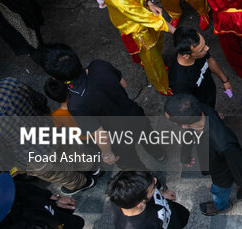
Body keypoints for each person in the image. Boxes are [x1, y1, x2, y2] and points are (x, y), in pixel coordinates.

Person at [40, 43, 166, 171]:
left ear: (55, 77)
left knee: (132, 165)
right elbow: (124, 84)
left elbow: (101, 135)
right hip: (134, 115)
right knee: (149, 140)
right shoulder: (99, 65)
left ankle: (150, 182)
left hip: (118, 138)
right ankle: (160, 156)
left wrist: (108, 154)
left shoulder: (75, 104)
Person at [0, 77, 96, 196]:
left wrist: (9, 170)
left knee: (60, 173)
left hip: (34, 155)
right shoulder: (10, 83)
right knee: (73, 151)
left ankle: (84, 183)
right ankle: (93, 168)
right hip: (49, 130)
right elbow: (40, 100)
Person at [164, 94, 242, 216]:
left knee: (219, 190)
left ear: (184, 125)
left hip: (222, 172)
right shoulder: (199, 109)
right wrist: (185, 155)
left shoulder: (222, 142)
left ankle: (221, 206)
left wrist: (240, 180)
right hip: (224, 160)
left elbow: (236, 162)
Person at [97, 0, 175, 95]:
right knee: (152, 62)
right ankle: (163, 87)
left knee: (158, 45)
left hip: (147, 18)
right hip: (138, 32)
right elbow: (142, 17)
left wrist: (149, 2)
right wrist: (175, 31)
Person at [0, 172, 85, 229]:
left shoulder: (9, 192)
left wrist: (52, 197)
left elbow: (16, 186)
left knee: (75, 223)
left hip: (36, 206)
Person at [168, 26, 232, 108]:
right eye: (201, 50)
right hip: (201, 107)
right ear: (186, 56)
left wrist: (225, 81)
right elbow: (188, 107)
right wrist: (209, 115)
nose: (207, 48)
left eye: (204, 44)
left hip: (209, 94)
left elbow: (210, 61)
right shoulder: (179, 82)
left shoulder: (200, 52)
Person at [107, 171, 190, 228]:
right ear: (140, 203)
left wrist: (162, 193)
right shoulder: (138, 226)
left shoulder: (123, 196)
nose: (155, 180)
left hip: (171, 213)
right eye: (153, 187)